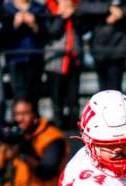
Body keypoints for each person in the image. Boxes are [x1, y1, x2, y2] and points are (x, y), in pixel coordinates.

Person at [76, 0, 126, 91]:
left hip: (120, 46)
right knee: (103, 88)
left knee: (115, 87)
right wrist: (109, 8)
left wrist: (123, 11)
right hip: (99, 46)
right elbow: (82, 6)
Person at [45, 0, 83, 129]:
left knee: (73, 98)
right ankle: (59, 127)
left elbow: (83, 29)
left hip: (74, 58)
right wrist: (62, 16)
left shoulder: (77, 7)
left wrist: (74, 14)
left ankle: (74, 127)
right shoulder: (48, 7)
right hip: (55, 61)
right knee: (57, 98)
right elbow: (51, 32)